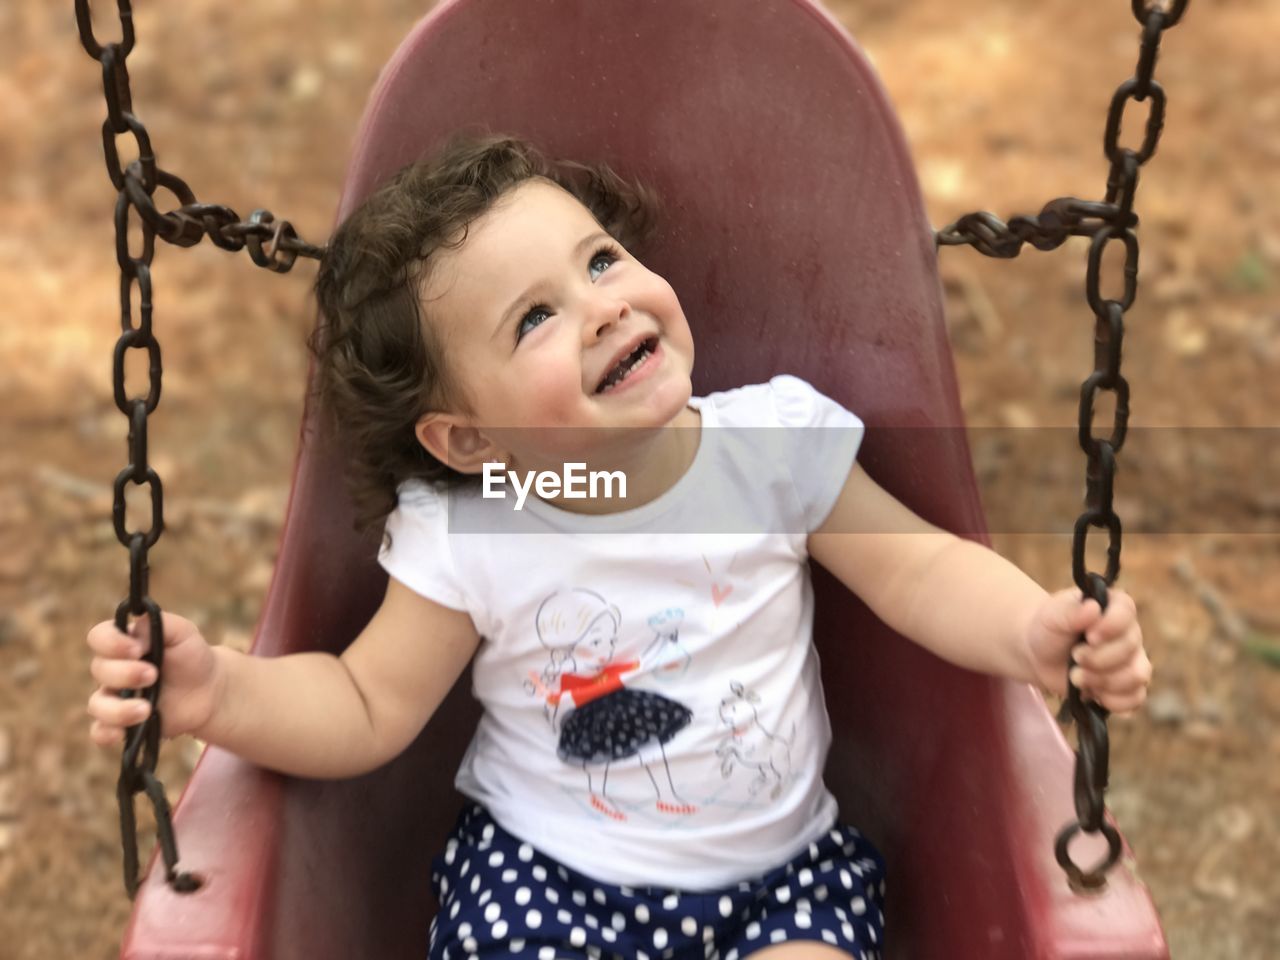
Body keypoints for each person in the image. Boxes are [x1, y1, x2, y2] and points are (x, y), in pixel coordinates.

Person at [85, 135, 1153, 960]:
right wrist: (217, 693)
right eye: (532, 320)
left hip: (781, 879)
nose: (602, 306)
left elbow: (918, 567)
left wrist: (1029, 629)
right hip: (548, 879)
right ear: (470, 439)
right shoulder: (475, 527)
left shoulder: (770, 448)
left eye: (599, 260)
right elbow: (365, 705)